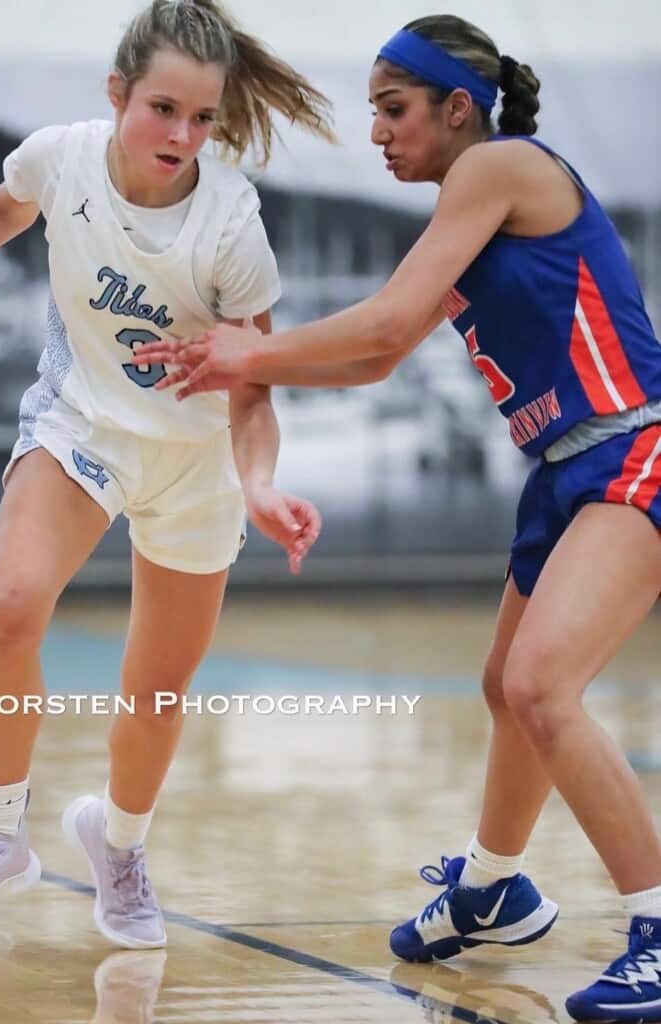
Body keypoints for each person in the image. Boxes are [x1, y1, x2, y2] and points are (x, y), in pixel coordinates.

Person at [133, 14, 661, 1019]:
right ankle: (494, 889)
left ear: (456, 109)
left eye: (391, 108)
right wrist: (240, 363)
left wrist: (243, 354)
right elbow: (377, 357)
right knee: (506, 691)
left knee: (541, 684)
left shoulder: (499, 165)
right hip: (562, 467)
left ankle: (657, 927)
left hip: (634, 444)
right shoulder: (469, 209)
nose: (376, 132)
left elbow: (376, 324)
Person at [0, 0, 332, 949]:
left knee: (154, 694)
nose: (182, 134)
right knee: (10, 609)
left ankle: (120, 843)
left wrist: (260, 485)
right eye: (162, 109)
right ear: (117, 96)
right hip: (81, 428)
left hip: (195, 460)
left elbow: (256, 384)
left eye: (202, 117)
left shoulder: (229, 224)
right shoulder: (60, 158)